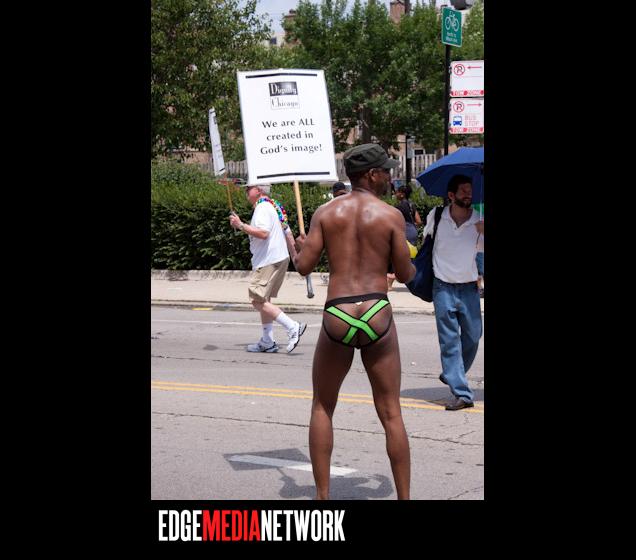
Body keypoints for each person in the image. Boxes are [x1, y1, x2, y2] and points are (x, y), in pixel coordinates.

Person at [293, 143, 416, 500]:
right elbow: (405, 274)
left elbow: (303, 266)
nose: (390, 176)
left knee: (322, 406)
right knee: (391, 413)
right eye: (386, 171)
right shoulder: (390, 216)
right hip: (376, 310)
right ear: (371, 175)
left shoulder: (326, 213)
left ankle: (322, 497)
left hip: (339, 311)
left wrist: (298, 246)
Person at [422, 174, 484, 411]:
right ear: (451, 195)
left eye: (470, 190)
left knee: (473, 337)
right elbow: (427, 244)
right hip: (443, 287)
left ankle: (452, 372)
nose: (468, 194)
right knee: (449, 341)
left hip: (469, 288)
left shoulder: (479, 220)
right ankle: (461, 393)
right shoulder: (436, 216)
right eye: (463, 191)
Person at [229, 183, 307, 353]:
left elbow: (263, 233)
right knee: (264, 300)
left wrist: (240, 225)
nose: (246, 190)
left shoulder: (262, 208)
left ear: (259, 190)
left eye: (249, 187)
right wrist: (295, 256)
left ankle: (292, 326)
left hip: (268, 260)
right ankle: (267, 341)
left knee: (257, 300)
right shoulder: (271, 205)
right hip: (277, 258)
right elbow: (285, 232)